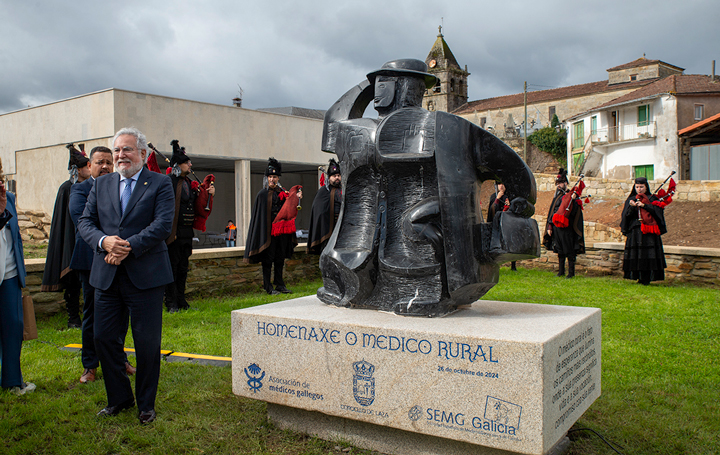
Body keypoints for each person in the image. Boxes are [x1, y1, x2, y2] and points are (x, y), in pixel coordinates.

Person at [78, 127, 175, 424]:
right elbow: (85, 221)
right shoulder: (101, 184)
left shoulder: (160, 183)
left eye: (128, 149)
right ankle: (119, 398)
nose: (121, 155)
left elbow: (162, 225)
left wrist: (128, 246)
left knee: (146, 343)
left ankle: (146, 404)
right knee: (104, 338)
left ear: (143, 154)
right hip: (106, 274)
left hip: (146, 276)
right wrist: (104, 241)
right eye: (117, 150)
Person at [68, 146, 135, 383]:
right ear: (89, 166)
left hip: (120, 260)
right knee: (93, 315)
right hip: (91, 261)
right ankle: (90, 365)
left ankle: (120, 359)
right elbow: (83, 222)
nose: (105, 166)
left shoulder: (123, 188)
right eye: (99, 162)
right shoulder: (80, 190)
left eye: (109, 162)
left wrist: (118, 246)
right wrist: (109, 242)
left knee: (121, 314)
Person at [42, 145, 90, 328]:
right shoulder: (67, 188)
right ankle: (73, 318)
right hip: (69, 239)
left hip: (85, 238)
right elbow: (65, 220)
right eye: (87, 166)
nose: (89, 169)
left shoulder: (89, 186)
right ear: (78, 170)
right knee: (71, 282)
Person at [164, 141, 215, 313]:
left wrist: (208, 194)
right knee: (171, 268)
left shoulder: (188, 183)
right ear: (178, 165)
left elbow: (197, 205)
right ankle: (170, 302)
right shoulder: (168, 182)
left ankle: (181, 299)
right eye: (187, 162)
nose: (190, 165)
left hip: (186, 233)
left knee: (183, 269)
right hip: (173, 234)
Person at [0, 161, 34, 396]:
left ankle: (13, 381)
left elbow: (15, 236)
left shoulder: (9, 197)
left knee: (13, 326)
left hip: (10, 274)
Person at [244, 158, 299, 295]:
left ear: (278, 178)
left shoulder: (283, 193)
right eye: (270, 177)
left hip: (281, 232)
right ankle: (268, 286)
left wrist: (295, 198)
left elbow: (290, 210)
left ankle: (280, 284)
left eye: (274, 177)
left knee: (280, 258)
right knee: (268, 260)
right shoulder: (262, 195)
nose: (272, 179)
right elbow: (259, 217)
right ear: (266, 178)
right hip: (267, 233)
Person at [620, 176, 667, 285]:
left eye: (641, 187)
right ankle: (637, 276)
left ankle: (647, 278)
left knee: (647, 254)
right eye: (637, 187)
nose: (639, 189)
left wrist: (645, 205)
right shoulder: (631, 199)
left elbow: (658, 212)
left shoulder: (652, 199)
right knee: (637, 254)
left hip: (649, 232)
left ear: (646, 187)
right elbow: (626, 216)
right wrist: (632, 207)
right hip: (635, 231)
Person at [543, 169, 585, 278]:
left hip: (568, 227)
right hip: (557, 228)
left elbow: (576, 212)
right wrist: (550, 226)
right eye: (557, 184)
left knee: (569, 250)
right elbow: (552, 212)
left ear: (565, 183)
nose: (558, 185)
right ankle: (561, 271)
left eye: (560, 183)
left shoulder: (573, 196)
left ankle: (571, 273)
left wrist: (574, 200)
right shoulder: (557, 197)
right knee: (560, 250)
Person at [307, 159, 342, 255]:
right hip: (327, 230)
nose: (337, 178)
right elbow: (319, 212)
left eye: (338, 175)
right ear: (329, 177)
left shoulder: (344, 190)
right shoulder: (323, 192)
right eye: (334, 176)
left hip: (342, 230)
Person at [487, 182, 517, 271]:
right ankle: (495, 264)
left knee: (511, 243)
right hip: (497, 223)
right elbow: (492, 210)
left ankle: (513, 265)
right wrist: (497, 199)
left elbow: (513, 211)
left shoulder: (510, 196)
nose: (501, 186)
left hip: (508, 224)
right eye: (499, 184)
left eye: (503, 184)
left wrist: (509, 206)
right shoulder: (494, 196)